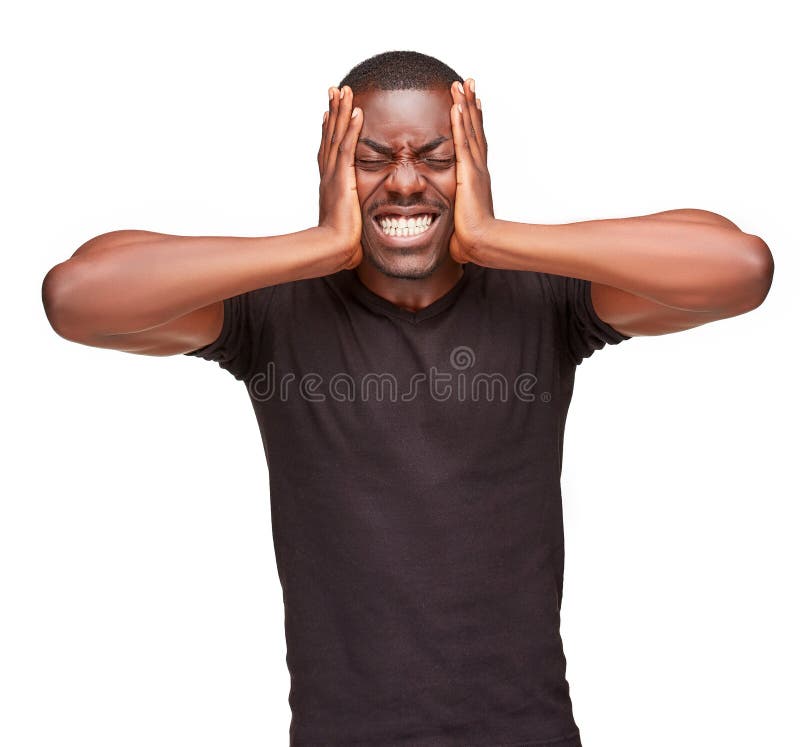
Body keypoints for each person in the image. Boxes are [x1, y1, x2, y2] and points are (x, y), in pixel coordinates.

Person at [41, 50, 773, 747]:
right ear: (332, 168)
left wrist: (495, 238)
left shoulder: (545, 300)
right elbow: (76, 296)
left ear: (476, 164)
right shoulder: (271, 315)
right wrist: (320, 246)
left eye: (435, 156)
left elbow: (740, 265)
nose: (402, 183)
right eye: (371, 159)